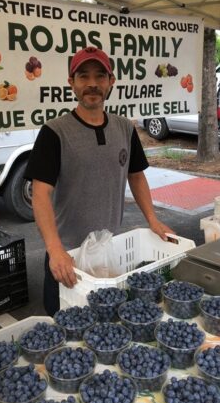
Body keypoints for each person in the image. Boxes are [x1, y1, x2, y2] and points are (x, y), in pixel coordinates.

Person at [24, 46, 174, 316]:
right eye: (83, 76)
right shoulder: (54, 132)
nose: (92, 84)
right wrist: (55, 249)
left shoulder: (125, 128)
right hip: (67, 255)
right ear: (71, 83)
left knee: (106, 326)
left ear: (111, 82)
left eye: (100, 76)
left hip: (110, 248)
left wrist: (152, 219)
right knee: (64, 326)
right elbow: (40, 194)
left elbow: (136, 176)